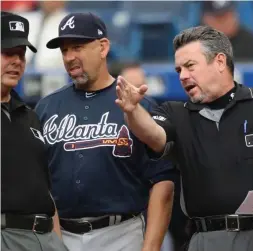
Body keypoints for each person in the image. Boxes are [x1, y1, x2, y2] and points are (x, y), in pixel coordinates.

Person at [115, 25, 253, 251]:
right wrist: (132, 111)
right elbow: (153, 135)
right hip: (205, 238)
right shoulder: (175, 112)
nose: (183, 76)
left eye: (190, 66)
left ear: (220, 62)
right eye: (178, 70)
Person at [34, 12, 178, 251]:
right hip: (62, 235)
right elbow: (41, 183)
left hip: (121, 234)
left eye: (77, 47)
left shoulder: (138, 106)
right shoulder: (46, 108)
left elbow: (163, 182)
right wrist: (54, 241)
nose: (69, 57)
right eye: (64, 50)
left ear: (103, 47)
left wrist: (151, 248)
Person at [1, 11, 67, 251]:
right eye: (8, 53)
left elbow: (45, 187)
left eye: (21, 54)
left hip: (44, 236)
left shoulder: (30, 115)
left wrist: (56, 240)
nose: (17, 61)